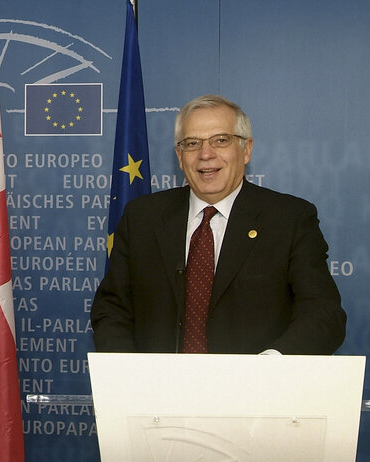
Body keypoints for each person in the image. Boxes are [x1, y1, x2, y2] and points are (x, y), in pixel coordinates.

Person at [91, 94, 346, 355]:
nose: (205, 154)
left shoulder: (289, 219)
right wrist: (128, 373)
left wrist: (270, 368)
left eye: (220, 140)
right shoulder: (142, 217)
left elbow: (323, 314)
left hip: (256, 389)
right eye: (192, 143)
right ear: (179, 156)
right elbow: (112, 309)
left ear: (246, 150)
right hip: (159, 390)